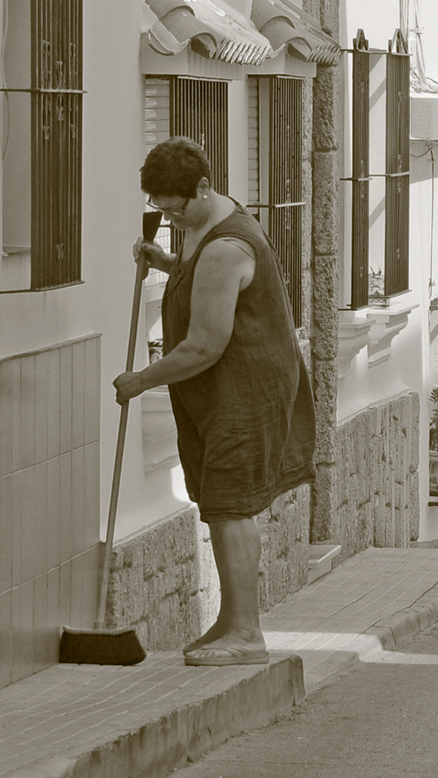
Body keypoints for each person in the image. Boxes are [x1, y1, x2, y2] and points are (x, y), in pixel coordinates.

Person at [113, 137, 316, 666]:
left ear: (203, 187)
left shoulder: (228, 246)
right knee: (219, 503)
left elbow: (205, 344)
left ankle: (247, 634)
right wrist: (163, 259)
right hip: (220, 390)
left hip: (246, 390)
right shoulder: (201, 224)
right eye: (160, 208)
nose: (170, 217)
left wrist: (141, 378)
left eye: (175, 208)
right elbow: (193, 276)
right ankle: (230, 622)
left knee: (230, 505)